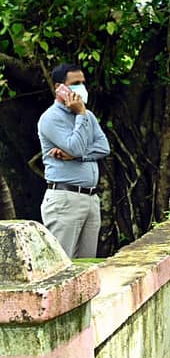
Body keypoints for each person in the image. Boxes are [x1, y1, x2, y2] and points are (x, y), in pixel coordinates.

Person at [37, 63, 110, 258]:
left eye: (82, 83)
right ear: (59, 87)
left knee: (86, 266)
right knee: (63, 264)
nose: (81, 88)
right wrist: (79, 114)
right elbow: (75, 146)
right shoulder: (50, 119)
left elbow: (104, 147)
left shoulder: (88, 115)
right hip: (65, 199)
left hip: (90, 198)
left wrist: (79, 156)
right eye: (75, 83)